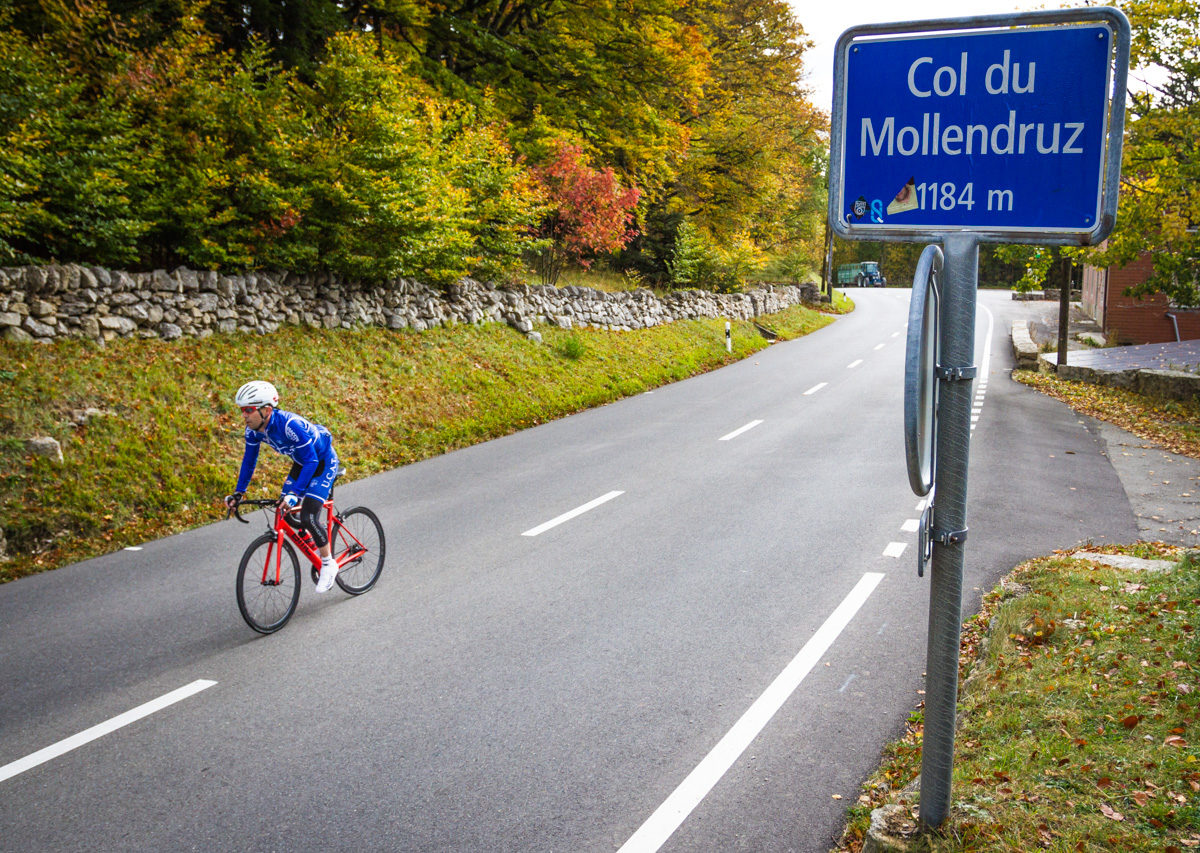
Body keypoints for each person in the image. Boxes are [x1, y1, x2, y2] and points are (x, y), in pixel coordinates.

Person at [224, 381, 342, 593]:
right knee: (283, 509)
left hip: (321, 462)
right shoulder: (253, 431)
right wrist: (239, 493)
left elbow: (312, 462)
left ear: (267, 410)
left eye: (249, 410)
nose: (244, 415)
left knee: (308, 516)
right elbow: (249, 462)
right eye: (242, 410)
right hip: (302, 462)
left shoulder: (289, 425)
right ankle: (310, 538)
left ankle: (328, 564)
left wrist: (295, 494)